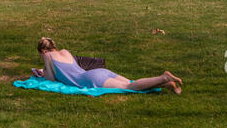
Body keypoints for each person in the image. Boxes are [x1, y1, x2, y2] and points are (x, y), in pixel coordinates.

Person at [32, 37, 182, 94]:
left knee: (129, 88)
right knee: (131, 83)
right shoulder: (65, 51)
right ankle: (168, 84)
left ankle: (163, 77)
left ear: (43, 50)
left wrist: (43, 69)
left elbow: (51, 80)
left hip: (91, 80)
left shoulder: (47, 56)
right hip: (99, 72)